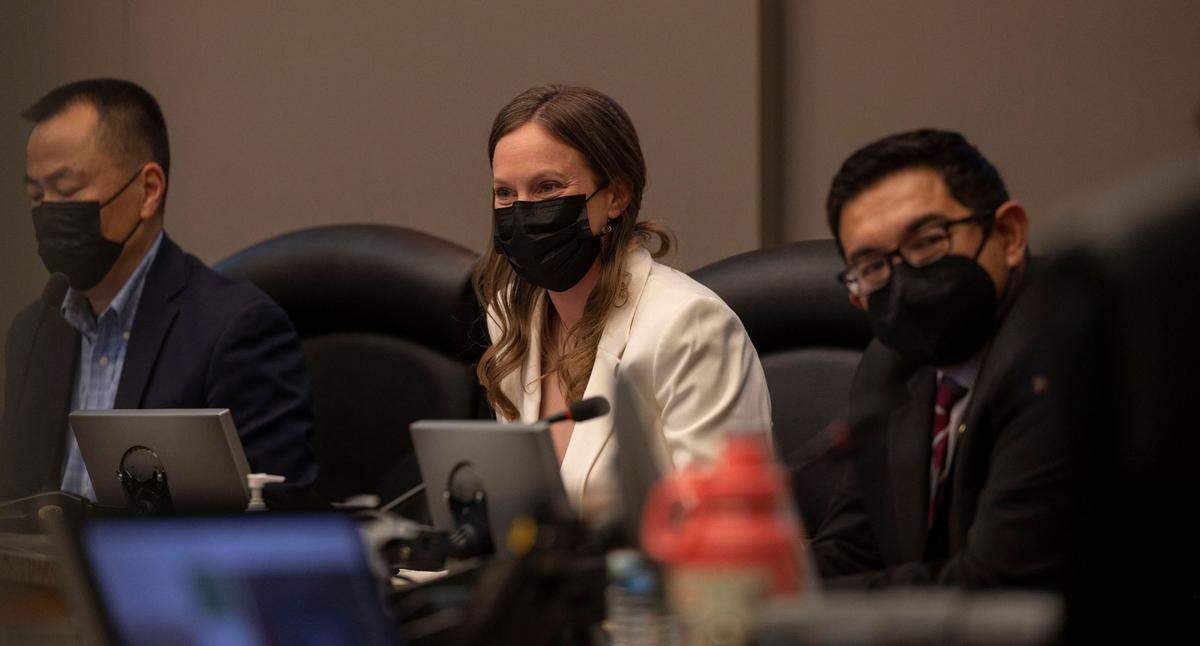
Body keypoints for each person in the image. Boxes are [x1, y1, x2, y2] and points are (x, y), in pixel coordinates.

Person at [0, 79, 317, 502]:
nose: (49, 211)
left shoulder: (234, 331)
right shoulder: (35, 331)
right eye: (37, 196)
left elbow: (277, 526)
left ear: (148, 191)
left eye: (68, 189)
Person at [475, 84, 772, 515]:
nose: (522, 211)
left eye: (548, 187)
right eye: (505, 193)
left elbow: (726, 526)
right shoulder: (511, 317)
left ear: (616, 195)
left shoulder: (689, 324)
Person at [810, 129, 1072, 587]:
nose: (905, 280)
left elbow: (995, 587)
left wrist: (789, 609)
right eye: (872, 266)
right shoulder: (890, 365)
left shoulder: (1058, 350)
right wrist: (753, 583)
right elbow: (853, 549)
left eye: (928, 241)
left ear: (1009, 235)